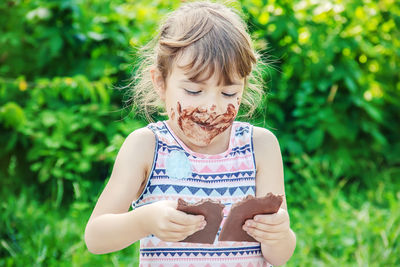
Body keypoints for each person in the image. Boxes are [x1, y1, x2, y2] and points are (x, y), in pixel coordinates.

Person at [84, 1, 296, 266]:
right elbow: (95, 238)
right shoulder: (147, 146)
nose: (211, 106)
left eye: (229, 93)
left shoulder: (260, 147)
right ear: (160, 83)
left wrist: (278, 234)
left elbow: (279, 256)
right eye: (194, 91)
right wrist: (144, 220)